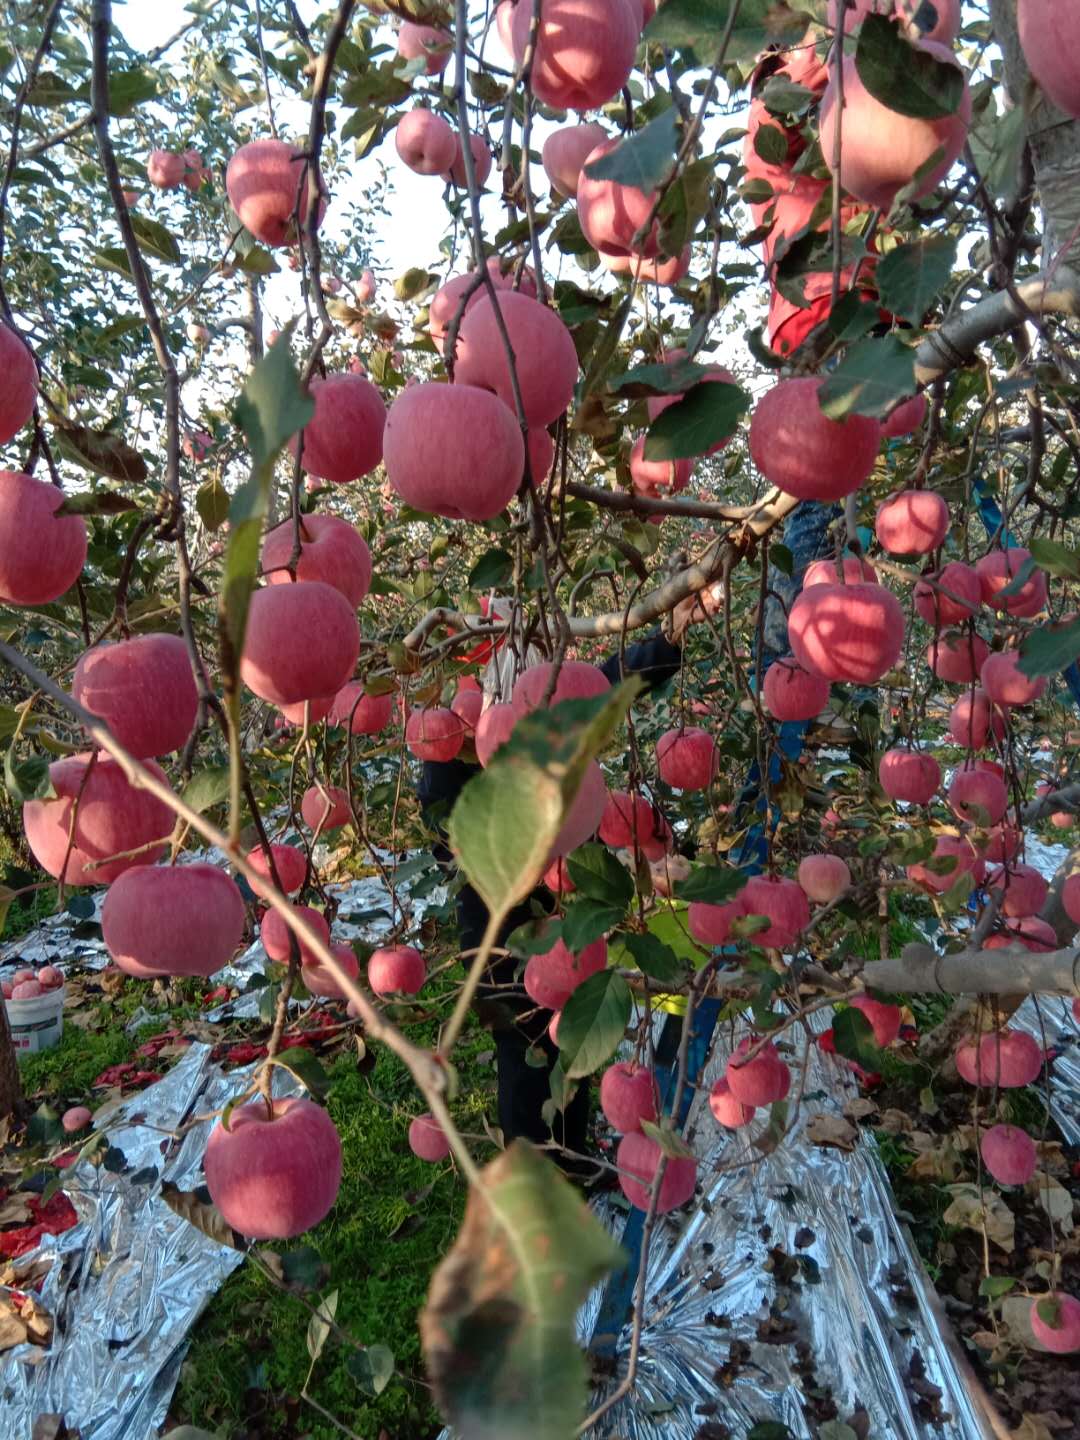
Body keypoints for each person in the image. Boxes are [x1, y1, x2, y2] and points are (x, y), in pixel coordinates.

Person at [417, 586, 723, 1171]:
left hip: (564, 918)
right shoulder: (456, 735)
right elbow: (445, 835)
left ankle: (574, 1156)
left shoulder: (546, 709)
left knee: (571, 1033)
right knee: (525, 1043)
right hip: (500, 928)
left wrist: (670, 636)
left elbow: (606, 682)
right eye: (521, 661)